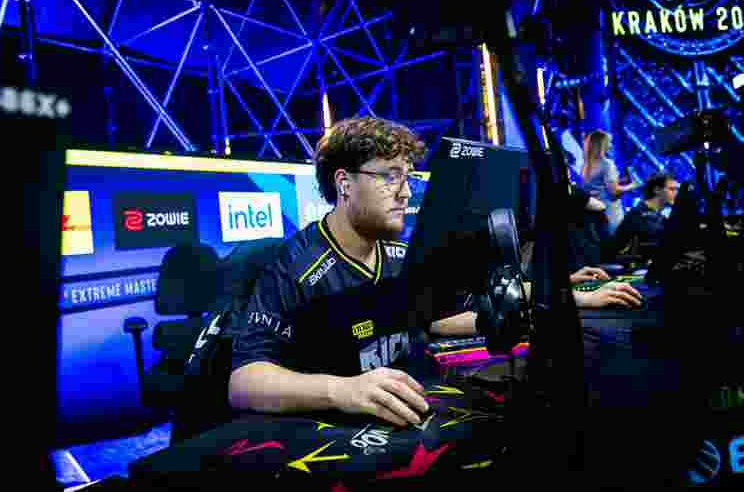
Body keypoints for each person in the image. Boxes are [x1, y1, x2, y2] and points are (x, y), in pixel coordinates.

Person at [228, 117, 642, 427]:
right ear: (344, 183)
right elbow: (244, 382)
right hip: (336, 428)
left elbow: (435, 317)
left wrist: (568, 297)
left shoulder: (397, 251)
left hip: (404, 410)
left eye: (407, 177)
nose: (405, 192)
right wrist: (343, 389)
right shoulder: (295, 266)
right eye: (390, 176)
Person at [581, 129, 641, 237]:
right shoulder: (607, 164)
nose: (611, 145)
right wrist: (632, 185)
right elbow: (613, 192)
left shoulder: (587, 165)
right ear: (602, 145)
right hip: (611, 215)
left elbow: (600, 185)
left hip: (597, 218)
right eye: (609, 142)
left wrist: (623, 181)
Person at [610, 171, 679, 257]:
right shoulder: (638, 216)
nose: (676, 194)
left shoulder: (659, 217)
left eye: (677, 190)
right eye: (672, 189)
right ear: (657, 190)